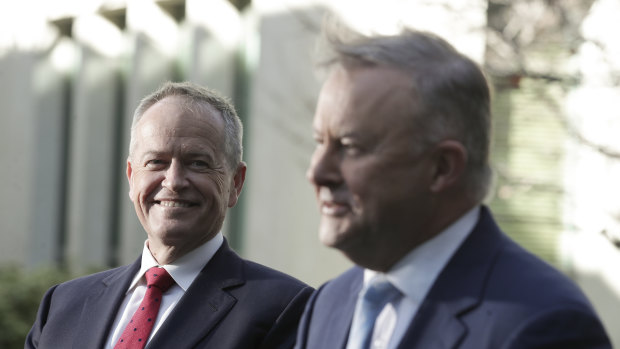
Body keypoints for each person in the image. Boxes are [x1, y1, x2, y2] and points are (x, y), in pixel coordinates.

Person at [295, 24, 612, 349]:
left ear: (442, 168)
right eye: (320, 141)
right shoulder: (328, 306)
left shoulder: (545, 325)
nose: (317, 172)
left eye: (350, 146)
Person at [26, 81, 313, 349]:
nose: (173, 181)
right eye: (156, 162)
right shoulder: (63, 305)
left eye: (198, 163)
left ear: (235, 183)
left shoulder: (287, 308)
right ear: (131, 176)